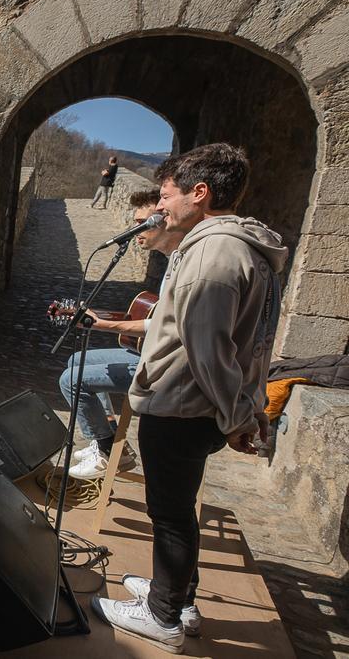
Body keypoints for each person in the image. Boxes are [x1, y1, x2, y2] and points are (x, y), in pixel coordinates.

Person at [91, 144, 287, 653]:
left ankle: (162, 616)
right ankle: (178, 598)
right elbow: (253, 345)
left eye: (166, 193)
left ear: (199, 194)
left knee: (170, 512)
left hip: (182, 406)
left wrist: (240, 414)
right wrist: (243, 408)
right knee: (177, 510)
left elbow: (207, 349)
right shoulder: (237, 249)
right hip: (196, 407)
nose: (161, 205)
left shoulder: (213, 252)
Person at [59, 190, 178, 480]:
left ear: (160, 221)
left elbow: (165, 326)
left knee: (71, 380)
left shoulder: (183, 264)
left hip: (166, 365)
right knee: (77, 359)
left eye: (140, 223)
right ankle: (111, 440)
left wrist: (104, 325)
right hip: (149, 351)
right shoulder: (173, 261)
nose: (134, 231)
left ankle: (106, 448)